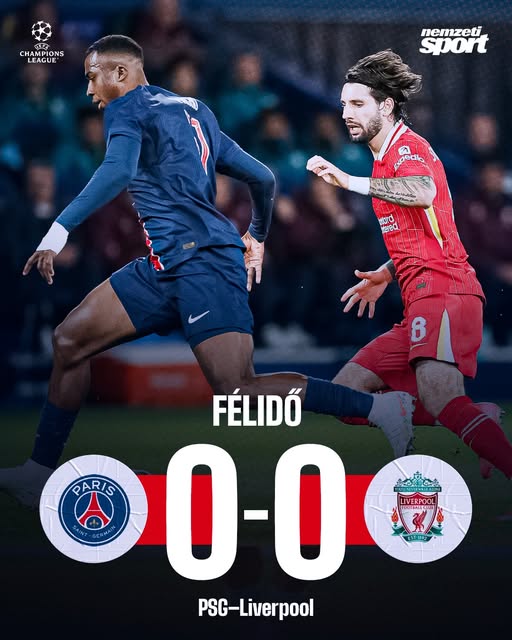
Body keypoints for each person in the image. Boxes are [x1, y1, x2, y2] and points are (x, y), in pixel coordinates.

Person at [0, 36, 414, 509]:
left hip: (204, 263)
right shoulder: (194, 110)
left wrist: (57, 231)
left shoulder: (125, 107)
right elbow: (263, 177)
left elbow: (117, 171)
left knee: (237, 387)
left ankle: (380, 407)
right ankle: (39, 472)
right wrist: (257, 235)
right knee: (70, 341)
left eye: (94, 76)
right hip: (164, 266)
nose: (90, 88)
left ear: (121, 73)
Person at [306, 50, 512, 480]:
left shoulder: (406, 149)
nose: (346, 114)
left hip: (445, 291)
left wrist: (349, 181)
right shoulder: (384, 158)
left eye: (357, 103)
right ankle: (476, 417)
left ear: (386, 106)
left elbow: (421, 192)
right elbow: (425, 228)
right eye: (343, 104)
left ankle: (475, 423)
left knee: (441, 397)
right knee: (347, 394)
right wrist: (387, 271)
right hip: (418, 296)